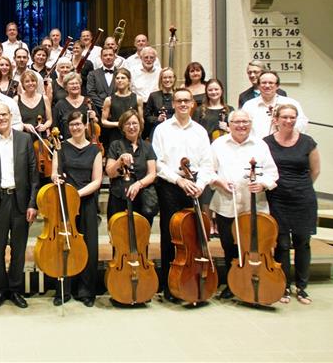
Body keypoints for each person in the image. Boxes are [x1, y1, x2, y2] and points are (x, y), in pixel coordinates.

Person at [151, 88, 214, 302]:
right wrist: (179, 180)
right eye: (179, 101)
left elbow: (207, 163)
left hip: (195, 186)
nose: (183, 104)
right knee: (171, 237)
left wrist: (201, 183)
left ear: (192, 104)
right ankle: (171, 286)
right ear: (173, 105)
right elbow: (158, 162)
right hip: (171, 185)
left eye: (187, 100)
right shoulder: (162, 129)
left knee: (195, 237)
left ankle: (194, 280)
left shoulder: (200, 131)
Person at [209, 110, 279, 299]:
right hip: (226, 203)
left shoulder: (260, 145)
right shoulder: (218, 144)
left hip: (253, 204)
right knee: (228, 246)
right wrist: (220, 182)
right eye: (237, 122)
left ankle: (255, 279)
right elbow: (208, 170)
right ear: (229, 124)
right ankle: (234, 282)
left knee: (252, 245)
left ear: (251, 123)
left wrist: (262, 183)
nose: (241, 125)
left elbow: (273, 173)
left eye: (245, 122)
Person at [0, 102, 38, 309]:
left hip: (20, 201)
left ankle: (15, 289)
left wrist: (32, 204)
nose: (1, 118)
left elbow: (33, 175)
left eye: (4, 114)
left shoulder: (25, 139)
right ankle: (1, 289)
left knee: (19, 249)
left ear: (10, 116)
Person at [264, 104, 321, 305]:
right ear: (276, 119)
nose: (288, 121)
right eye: (285, 117)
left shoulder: (307, 142)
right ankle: (284, 286)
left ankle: (302, 287)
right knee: (282, 243)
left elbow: (315, 171)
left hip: (303, 198)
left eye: (292, 117)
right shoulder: (267, 143)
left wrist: (300, 188)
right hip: (278, 198)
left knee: (302, 242)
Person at [51, 110, 103, 307]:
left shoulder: (95, 150)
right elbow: (54, 173)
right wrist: (56, 178)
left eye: (78, 124)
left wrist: (78, 194)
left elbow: (97, 180)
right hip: (65, 202)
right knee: (64, 245)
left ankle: (86, 291)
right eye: (72, 125)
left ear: (85, 126)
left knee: (88, 246)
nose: (75, 128)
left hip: (86, 202)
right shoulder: (60, 147)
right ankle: (63, 289)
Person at [105, 110, 158, 225]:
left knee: (141, 239)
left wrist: (139, 184)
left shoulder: (147, 146)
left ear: (140, 126)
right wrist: (120, 161)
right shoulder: (115, 145)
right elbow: (110, 172)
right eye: (127, 124)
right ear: (122, 127)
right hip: (119, 197)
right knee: (119, 239)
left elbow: (152, 174)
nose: (131, 127)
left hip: (142, 198)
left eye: (135, 123)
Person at [243, 71, 308, 137]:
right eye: (264, 83)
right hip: (257, 145)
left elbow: (302, 124)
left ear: (277, 86)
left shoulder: (291, 103)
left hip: (284, 145)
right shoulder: (249, 105)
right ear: (258, 86)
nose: (267, 86)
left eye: (271, 83)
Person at [101, 68, 143, 145]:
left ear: (129, 81)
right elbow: (103, 121)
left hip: (133, 136)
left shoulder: (137, 99)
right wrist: (119, 124)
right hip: (115, 137)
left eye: (123, 78)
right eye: (117, 78)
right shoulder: (109, 100)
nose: (119, 80)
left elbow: (141, 121)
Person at [52, 72, 93, 137]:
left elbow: (96, 122)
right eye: (71, 84)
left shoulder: (88, 101)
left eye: (77, 83)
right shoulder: (60, 105)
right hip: (67, 143)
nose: (75, 86)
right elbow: (55, 127)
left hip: (87, 142)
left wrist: (94, 117)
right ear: (65, 87)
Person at [16, 70, 52, 141]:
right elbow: (14, 121)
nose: (30, 83)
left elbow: (49, 120)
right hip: (23, 138)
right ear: (23, 84)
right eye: (27, 81)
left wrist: (44, 126)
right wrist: (24, 125)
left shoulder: (44, 98)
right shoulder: (16, 99)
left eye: (33, 80)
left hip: (41, 138)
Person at [143, 66, 176, 139]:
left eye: (170, 77)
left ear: (174, 79)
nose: (167, 80)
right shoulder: (153, 96)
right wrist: (157, 119)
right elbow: (146, 116)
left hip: (175, 130)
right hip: (158, 130)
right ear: (161, 79)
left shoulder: (178, 95)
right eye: (164, 77)